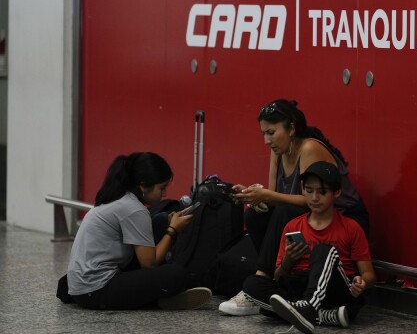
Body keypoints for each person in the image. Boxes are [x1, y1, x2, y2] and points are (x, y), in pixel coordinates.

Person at [218, 99, 369, 316]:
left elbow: (312, 199)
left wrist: (269, 196)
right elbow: (275, 196)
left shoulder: (308, 147)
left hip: (339, 217)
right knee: (254, 216)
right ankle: (283, 282)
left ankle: (263, 279)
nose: (266, 140)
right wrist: (254, 197)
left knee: (283, 211)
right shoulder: (278, 152)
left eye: (271, 132)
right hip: (306, 218)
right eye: (263, 134)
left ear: (291, 128)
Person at [65, 152, 212, 310]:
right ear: (142, 186)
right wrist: (173, 230)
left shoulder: (118, 197)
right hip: (97, 289)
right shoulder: (134, 209)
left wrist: (166, 224)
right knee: (176, 275)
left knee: (160, 220)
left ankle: (153, 296)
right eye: (162, 188)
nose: (165, 194)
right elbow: (149, 263)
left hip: (80, 286)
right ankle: (158, 299)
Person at [242, 161, 375, 333]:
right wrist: (287, 262)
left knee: (321, 249)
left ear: (337, 192)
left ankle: (307, 309)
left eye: (322, 192)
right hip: (300, 287)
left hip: (335, 291)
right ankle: (322, 315)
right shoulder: (292, 226)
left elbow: (369, 275)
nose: (314, 198)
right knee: (252, 284)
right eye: (309, 191)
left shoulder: (351, 227)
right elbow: (278, 275)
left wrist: (362, 283)